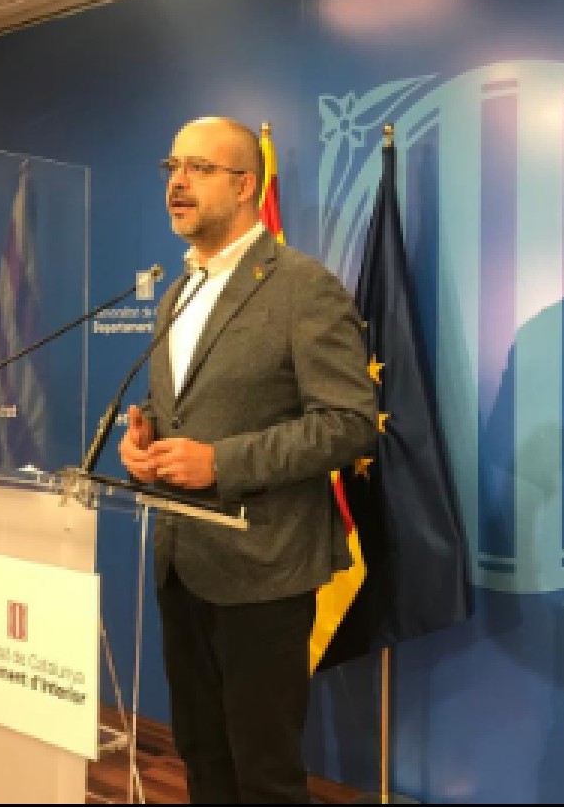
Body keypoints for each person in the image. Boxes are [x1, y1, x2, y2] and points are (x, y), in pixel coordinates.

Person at [118, 116, 377, 803]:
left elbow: (350, 424)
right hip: (183, 561)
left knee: (264, 776)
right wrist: (144, 445)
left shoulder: (301, 287)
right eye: (172, 167)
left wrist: (220, 463)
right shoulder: (178, 292)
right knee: (203, 755)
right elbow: (184, 408)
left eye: (199, 168)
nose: (177, 182)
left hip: (263, 567)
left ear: (244, 186)